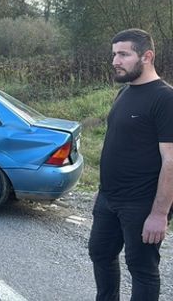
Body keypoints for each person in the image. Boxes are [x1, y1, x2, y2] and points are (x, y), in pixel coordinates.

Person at [88, 28, 173, 301]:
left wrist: (160, 214)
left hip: (141, 203)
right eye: (114, 54)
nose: (115, 61)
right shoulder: (124, 92)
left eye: (123, 54)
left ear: (147, 56)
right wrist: (102, 191)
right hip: (109, 198)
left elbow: (171, 160)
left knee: (142, 268)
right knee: (100, 253)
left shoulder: (165, 98)